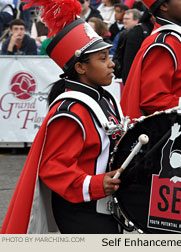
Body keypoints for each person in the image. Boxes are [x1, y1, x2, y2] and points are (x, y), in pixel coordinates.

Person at [1, 0, 123, 234]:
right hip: (82, 213)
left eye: (109, 56)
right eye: (103, 59)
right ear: (80, 68)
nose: (111, 63)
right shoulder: (71, 111)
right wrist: (96, 184)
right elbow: (53, 168)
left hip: (102, 206)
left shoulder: (104, 98)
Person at [120, 0, 181, 119]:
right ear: (164, 6)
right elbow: (152, 101)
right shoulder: (162, 44)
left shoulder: (177, 37)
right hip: (172, 130)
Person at [122, 9, 155, 83]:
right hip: (137, 79)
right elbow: (129, 59)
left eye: (127, 19)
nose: (124, 21)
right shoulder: (137, 32)